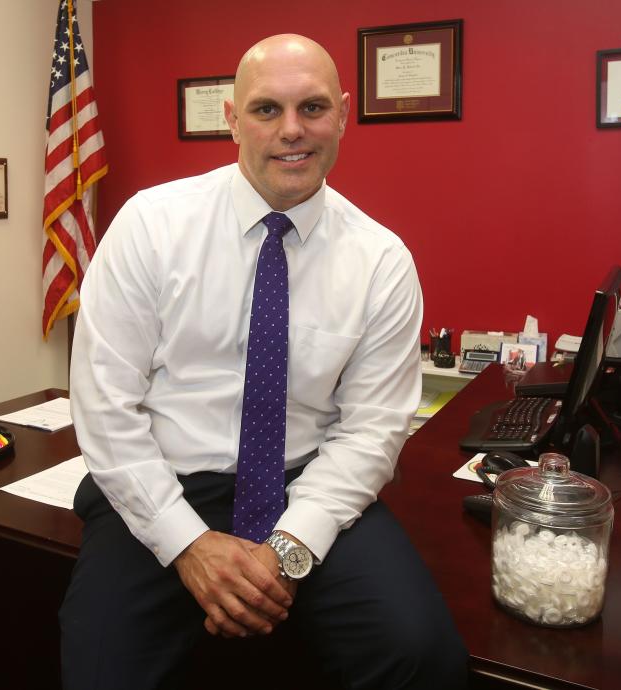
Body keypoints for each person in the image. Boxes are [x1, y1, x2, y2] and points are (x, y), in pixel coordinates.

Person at [60, 33, 467, 689]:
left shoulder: (381, 260)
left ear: (343, 112)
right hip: (167, 482)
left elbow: (370, 431)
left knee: (421, 655)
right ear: (232, 119)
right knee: (101, 670)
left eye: (311, 108)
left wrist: (287, 549)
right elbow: (106, 405)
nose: (291, 131)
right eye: (267, 110)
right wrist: (189, 546)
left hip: (306, 482)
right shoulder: (151, 226)